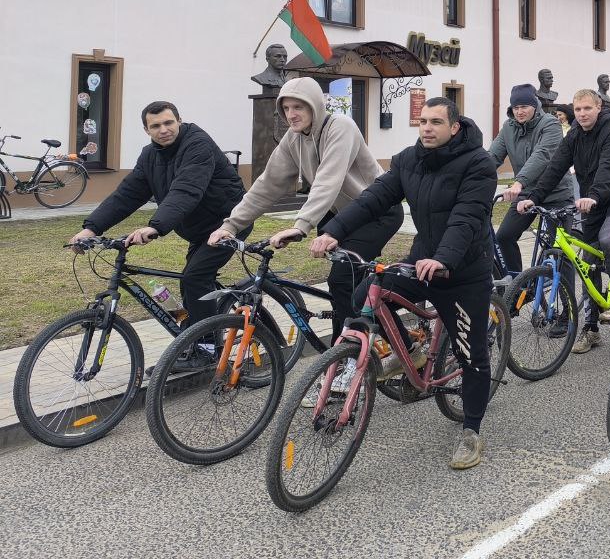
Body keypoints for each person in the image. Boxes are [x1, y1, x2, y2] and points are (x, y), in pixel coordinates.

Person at [315, 97, 497, 470]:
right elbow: (373, 200)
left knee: (471, 354)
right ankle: (409, 353)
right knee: (366, 295)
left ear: (454, 127)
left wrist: (444, 258)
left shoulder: (479, 164)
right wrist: (334, 232)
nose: (426, 128)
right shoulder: (408, 160)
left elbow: (467, 216)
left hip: (462, 270)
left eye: (435, 122)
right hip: (422, 261)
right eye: (422, 121)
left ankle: (471, 431)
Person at [210, 77, 403, 349]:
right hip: (339, 215)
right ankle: (350, 344)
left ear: (315, 106)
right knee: (348, 289)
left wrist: (301, 225)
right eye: (286, 108)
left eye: (298, 107)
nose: (291, 114)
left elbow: (328, 180)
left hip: (376, 212)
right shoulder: (294, 138)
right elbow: (267, 184)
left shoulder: (341, 127)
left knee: (342, 281)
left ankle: (352, 353)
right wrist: (230, 225)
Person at [74, 101, 246, 366]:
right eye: (155, 126)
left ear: (179, 121)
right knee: (190, 282)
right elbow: (127, 195)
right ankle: (196, 338)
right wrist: (91, 228)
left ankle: (208, 349)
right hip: (199, 229)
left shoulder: (198, 145)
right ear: (147, 130)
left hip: (228, 223)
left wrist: (156, 226)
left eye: (168, 122)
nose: (163, 129)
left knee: (195, 277)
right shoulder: (150, 156)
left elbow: (186, 189)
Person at [517, 89, 610, 353]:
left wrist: (594, 195)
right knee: (588, 262)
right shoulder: (574, 135)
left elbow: (608, 169)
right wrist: (533, 197)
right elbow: (555, 167)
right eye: (578, 109)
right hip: (593, 199)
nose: (582, 114)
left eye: (587, 108)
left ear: (599, 107)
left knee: (607, 238)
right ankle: (591, 329)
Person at [488, 84, 574, 276]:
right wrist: (471, 175)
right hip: (527, 194)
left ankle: (567, 294)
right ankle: (517, 285)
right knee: (504, 237)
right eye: (515, 108)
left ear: (535, 105)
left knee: (558, 250)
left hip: (556, 193)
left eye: (524, 107)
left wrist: (519, 182)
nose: (519, 112)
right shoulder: (508, 127)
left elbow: (542, 155)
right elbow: (492, 156)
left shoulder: (550, 124)